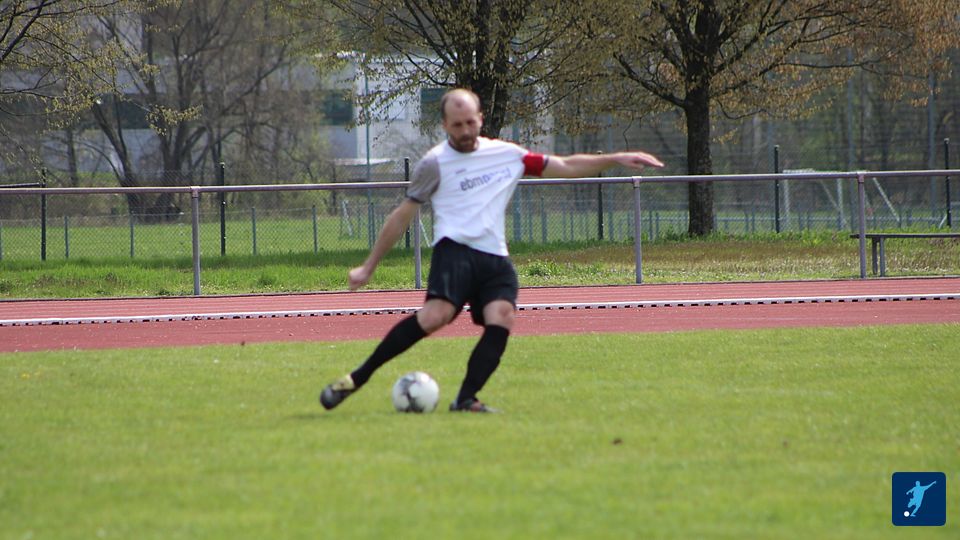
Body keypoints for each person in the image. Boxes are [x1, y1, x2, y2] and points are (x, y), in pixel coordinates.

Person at [320, 88, 664, 413]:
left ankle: (466, 399)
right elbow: (402, 216)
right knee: (435, 317)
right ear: (445, 125)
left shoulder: (508, 155)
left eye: (470, 122)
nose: (465, 131)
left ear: (480, 118)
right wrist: (369, 266)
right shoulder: (434, 163)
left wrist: (616, 158)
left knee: (503, 316)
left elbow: (566, 165)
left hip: (494, 258)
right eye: (457, 125)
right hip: (454, 252)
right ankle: (356, 379)